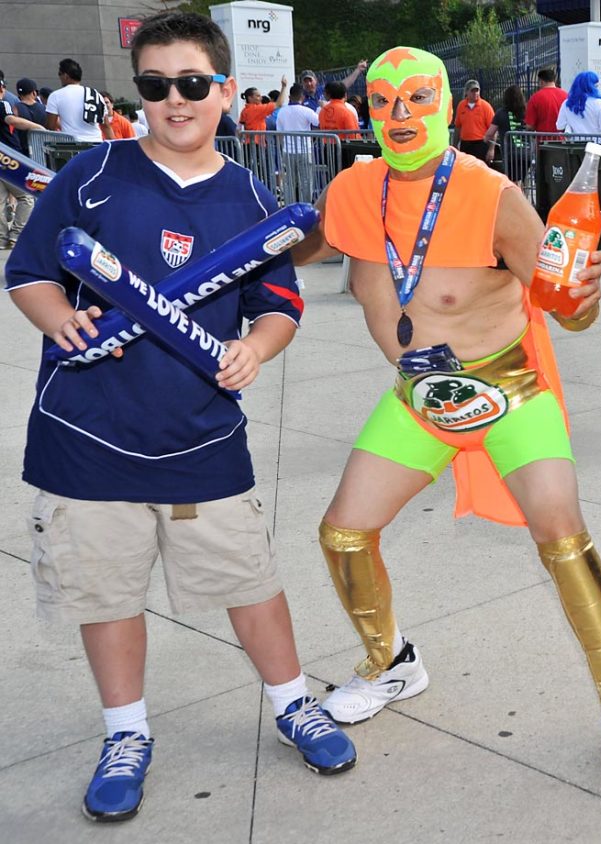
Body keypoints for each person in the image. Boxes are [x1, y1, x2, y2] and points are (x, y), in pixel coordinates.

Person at [4, 11, 357, 823]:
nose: (174, 100)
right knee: (107, 593)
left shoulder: (250, 196)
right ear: (140, 92)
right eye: (156, 85)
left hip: (202, 431)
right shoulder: (94, 174)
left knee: (250, 582)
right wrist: (54, 316)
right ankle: (126, 734)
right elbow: (28, 271)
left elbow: (278, 302)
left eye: (192, 84)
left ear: (224, 90)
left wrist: (256, 351)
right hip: (85, 436)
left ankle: (294, 703)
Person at [290, 45, 601, 799]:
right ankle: (391, 663)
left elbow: (570, 307)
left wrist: (584, 294)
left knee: (564, 539)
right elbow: (298, 249)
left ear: (443, 104)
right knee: (342, 532)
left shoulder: (491, 196)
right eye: (387, 100)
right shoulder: (354, 189)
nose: (400, 115)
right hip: (418, 399)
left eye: (416, 98)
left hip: (507, 393)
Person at [1, 80, 45, 249]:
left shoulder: (16, 104)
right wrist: (37, 127)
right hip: (11, 158)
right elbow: (11, 120)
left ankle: (1, 237)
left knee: (0, 199)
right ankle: (16, 235)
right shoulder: (4, 104)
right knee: (26, 196)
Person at [275, 83, 320, 202]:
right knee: (306, 181)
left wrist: (282, 148)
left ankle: (290, 205)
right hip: (305, 150)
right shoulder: (307, 111)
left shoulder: (282, 112)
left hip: (288, 151)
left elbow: (279, 133)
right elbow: (318, 123)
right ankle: (306, 206)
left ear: (290, 96)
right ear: (303, 97)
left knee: (290, 181)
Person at [45, 58, 106, 142]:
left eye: (59, 74)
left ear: (65, 76)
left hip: (72, 146)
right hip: (96, 143)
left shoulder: (55, 96)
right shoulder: (95, 94)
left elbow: (50, 127)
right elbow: (106, 125)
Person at [483, 83, 529, 184]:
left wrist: (485, 138)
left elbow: (490, 133)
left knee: (513, 182)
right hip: (527, 152)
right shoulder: (526, 111)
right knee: (524, 182)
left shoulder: (501, 113)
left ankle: (517, 198)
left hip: (511, 153)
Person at [556, 71, 601, 138]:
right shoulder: (599, 103)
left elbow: (560, 126)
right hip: (595, 145)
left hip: (574, 145)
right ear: (592, 86)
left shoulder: (566, 104)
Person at [453, 79, 494, 161]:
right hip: (465, 144)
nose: (475, 93)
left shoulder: (486, 106)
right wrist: (454, 146)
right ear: (466, 92)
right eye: (472, 91)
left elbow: (493, 129)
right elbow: (458, 127)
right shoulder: (461, 106)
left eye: (477, 91)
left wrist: (491, 149)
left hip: (481, 144)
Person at [524, 67, 567, 135]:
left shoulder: (535, 98)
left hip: (543, 141)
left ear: (541, 81)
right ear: (554, 80)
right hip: (563, 141)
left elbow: (530, 126)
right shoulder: (566, 96)